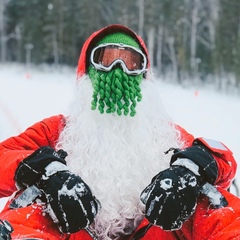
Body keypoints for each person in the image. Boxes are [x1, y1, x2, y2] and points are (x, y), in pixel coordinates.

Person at [0, 24, 239, 240]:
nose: (118, 71)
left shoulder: (163, 134)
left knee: (204, 198)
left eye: (131, 62)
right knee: (33, 199)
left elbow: (220, 159)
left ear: (144, 75)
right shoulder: (58, 130)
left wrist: (193, 167)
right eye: (106, 59)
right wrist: (40, 170)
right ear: (87, 70)